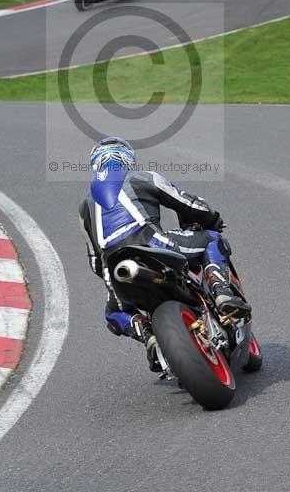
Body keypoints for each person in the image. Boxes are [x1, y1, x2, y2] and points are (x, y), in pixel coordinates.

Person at [79, 137, 251, 370]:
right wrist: (212, 219)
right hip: (153, 244)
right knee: (212, 239)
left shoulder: (85, 206)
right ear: (127, 159)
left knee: (113, 314)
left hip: (115, 270)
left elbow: (95, 263)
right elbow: (191, 205)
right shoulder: (143, 177)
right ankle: (221, 294)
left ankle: (149, 337)